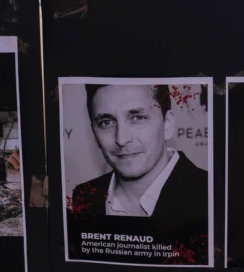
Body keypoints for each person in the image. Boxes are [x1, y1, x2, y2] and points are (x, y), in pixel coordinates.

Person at [69, 84, 208, 227]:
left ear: (167, 124)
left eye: (137, 118)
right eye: (107, 122)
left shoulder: (212, 194)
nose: (121, 139)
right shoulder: (85, 196)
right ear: (93, 132)